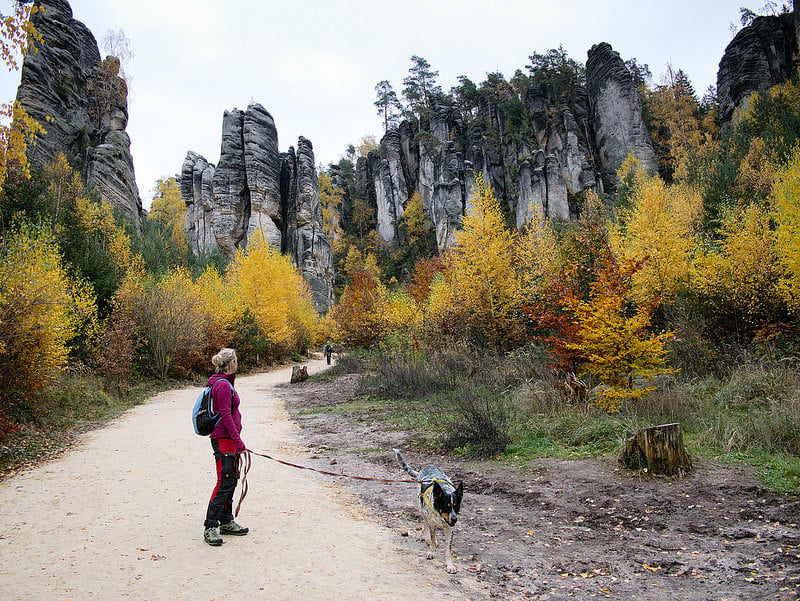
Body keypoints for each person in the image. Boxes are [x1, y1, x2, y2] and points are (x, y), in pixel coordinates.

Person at [203, 348, 249, 546]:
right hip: (223, 440)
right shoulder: (222, 385)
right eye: (236, 360)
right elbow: (226, 415)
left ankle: (227, 521)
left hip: (229, 439)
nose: (238, 363)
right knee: (224, 481)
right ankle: (210, 526)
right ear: (231, 364)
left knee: (231, 480)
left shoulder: (225, 382)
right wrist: (238, 441)